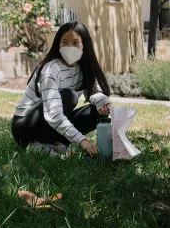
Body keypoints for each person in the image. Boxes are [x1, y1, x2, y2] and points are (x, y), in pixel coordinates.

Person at [11, 21, 112, 157]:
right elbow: (53, 114)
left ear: (85, 45)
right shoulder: (51, 69)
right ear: (58, 44)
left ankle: (53, 142)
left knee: (95, 112)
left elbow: (93, 92)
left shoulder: (84, 68)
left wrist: (103, 104)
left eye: (75, 42)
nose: (70, 47)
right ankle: (34, 144)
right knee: (69, 96)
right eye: (64, 42)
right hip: (25, 126)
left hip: (49, 123)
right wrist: (82, 140)